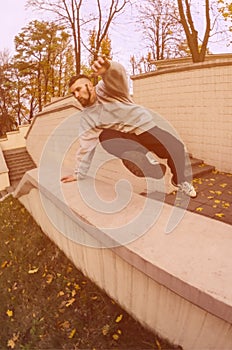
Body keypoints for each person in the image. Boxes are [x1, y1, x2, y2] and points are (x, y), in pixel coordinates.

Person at [61, 56, 196, 198]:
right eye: (73, 93)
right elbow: (85, 147)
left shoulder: (107, 88)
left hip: (144, 128)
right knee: (105, 136)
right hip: (126, 139)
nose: (76, 95)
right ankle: (144, 163)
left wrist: (108, 67)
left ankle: (179, 181)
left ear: (89, 85)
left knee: (177, 148)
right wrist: (79, 174)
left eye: (78, 89)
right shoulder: (87, 118)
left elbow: (118, 75)